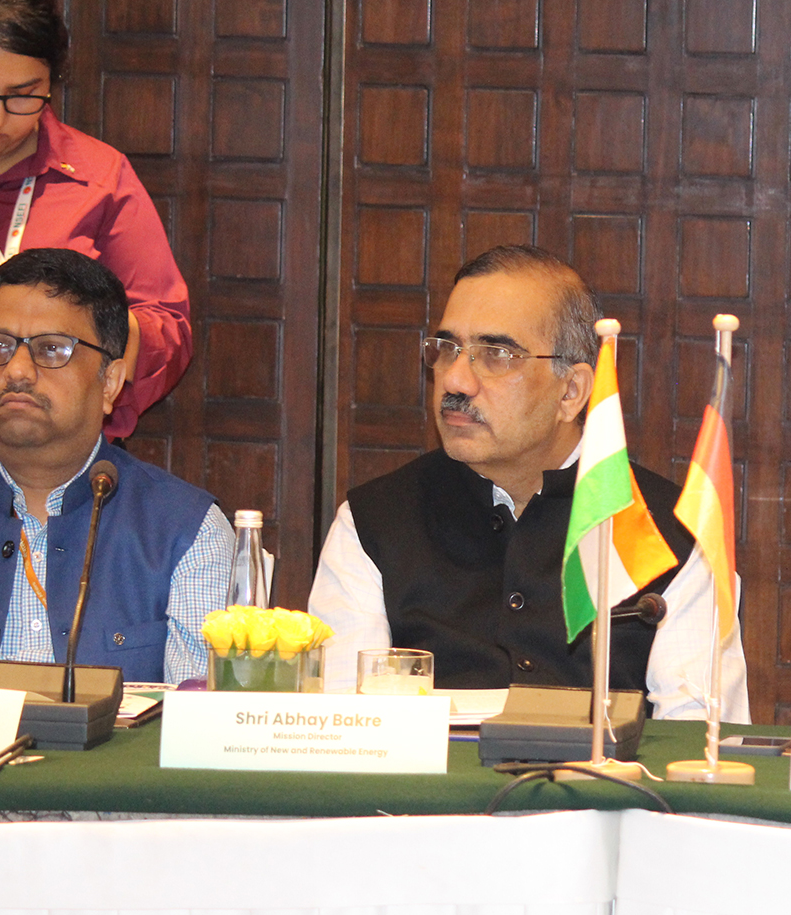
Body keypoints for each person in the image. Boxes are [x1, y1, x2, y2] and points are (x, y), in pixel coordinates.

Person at [309, 245, 750, 719]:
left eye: (496, 354)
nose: (455, 380)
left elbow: (697, 742)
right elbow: (341, 732)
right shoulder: (374, 523)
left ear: (572, 392)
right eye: (447, 349)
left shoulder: (674, 532)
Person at [0, 249, 231, 684]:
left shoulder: (188, 533)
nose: (17, 370)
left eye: (51, 349)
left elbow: (199, 731)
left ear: (111, 382)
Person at [0, 0, 191, 440]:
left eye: (23, 95)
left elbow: (168, 328)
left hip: (59, 473)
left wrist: (101, 338)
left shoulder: (99, 177)